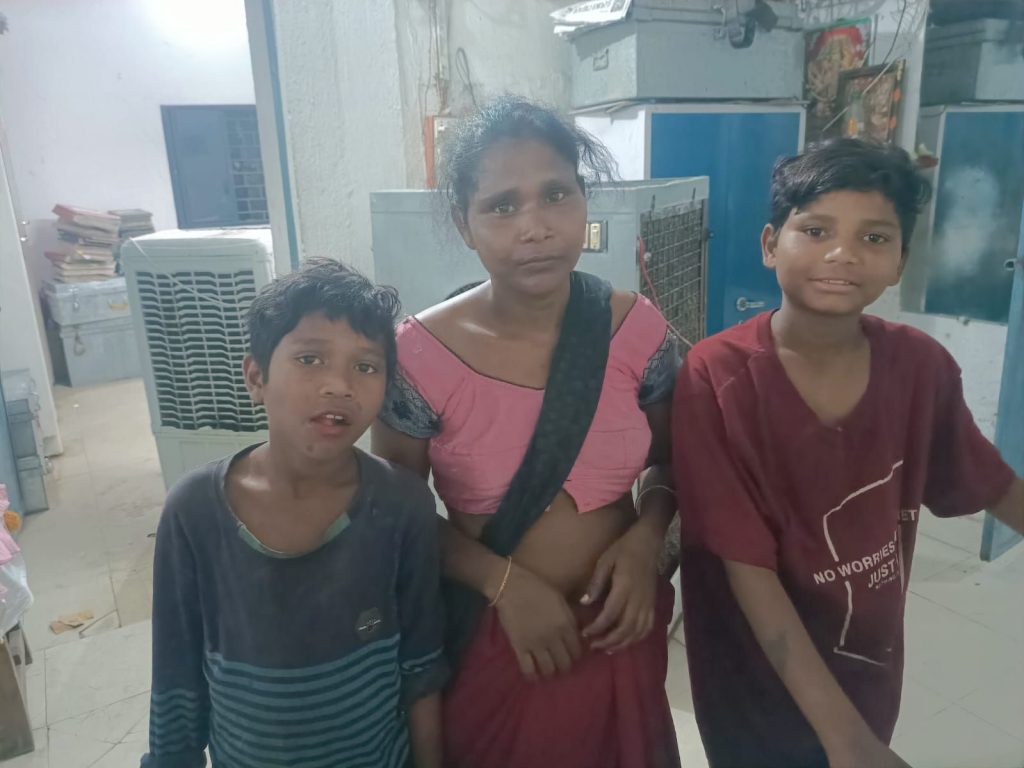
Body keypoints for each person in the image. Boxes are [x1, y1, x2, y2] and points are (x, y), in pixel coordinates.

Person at [673, 138, 1024, 768]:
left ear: (900, 261)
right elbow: (745, 566)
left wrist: (857, 734)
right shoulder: (716, 377)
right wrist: (845, 739)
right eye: (815, 230)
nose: (843, 253)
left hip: (867, 665)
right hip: (754, 679)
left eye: (874, 237)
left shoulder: (920, 367)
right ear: (770, 244)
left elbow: (991, 484)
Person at [373, 96, 682, 768]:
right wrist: (503, 584)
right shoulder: (418, 357)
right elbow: (394, 510)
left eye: (556, 194)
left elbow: (672, 463)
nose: (535, 227)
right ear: (464, 224)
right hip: (498, 638)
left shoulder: (638, 331)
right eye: (502, 206)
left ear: (583, 199)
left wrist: (645, 544)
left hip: (617, 627)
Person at [142, 259, 447, 768]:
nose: (339, 385)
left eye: (366, 367)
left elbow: (422, 666)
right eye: (310, 359)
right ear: (256, 376)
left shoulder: (404, 505)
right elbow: (176, 680)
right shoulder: (194, 512)